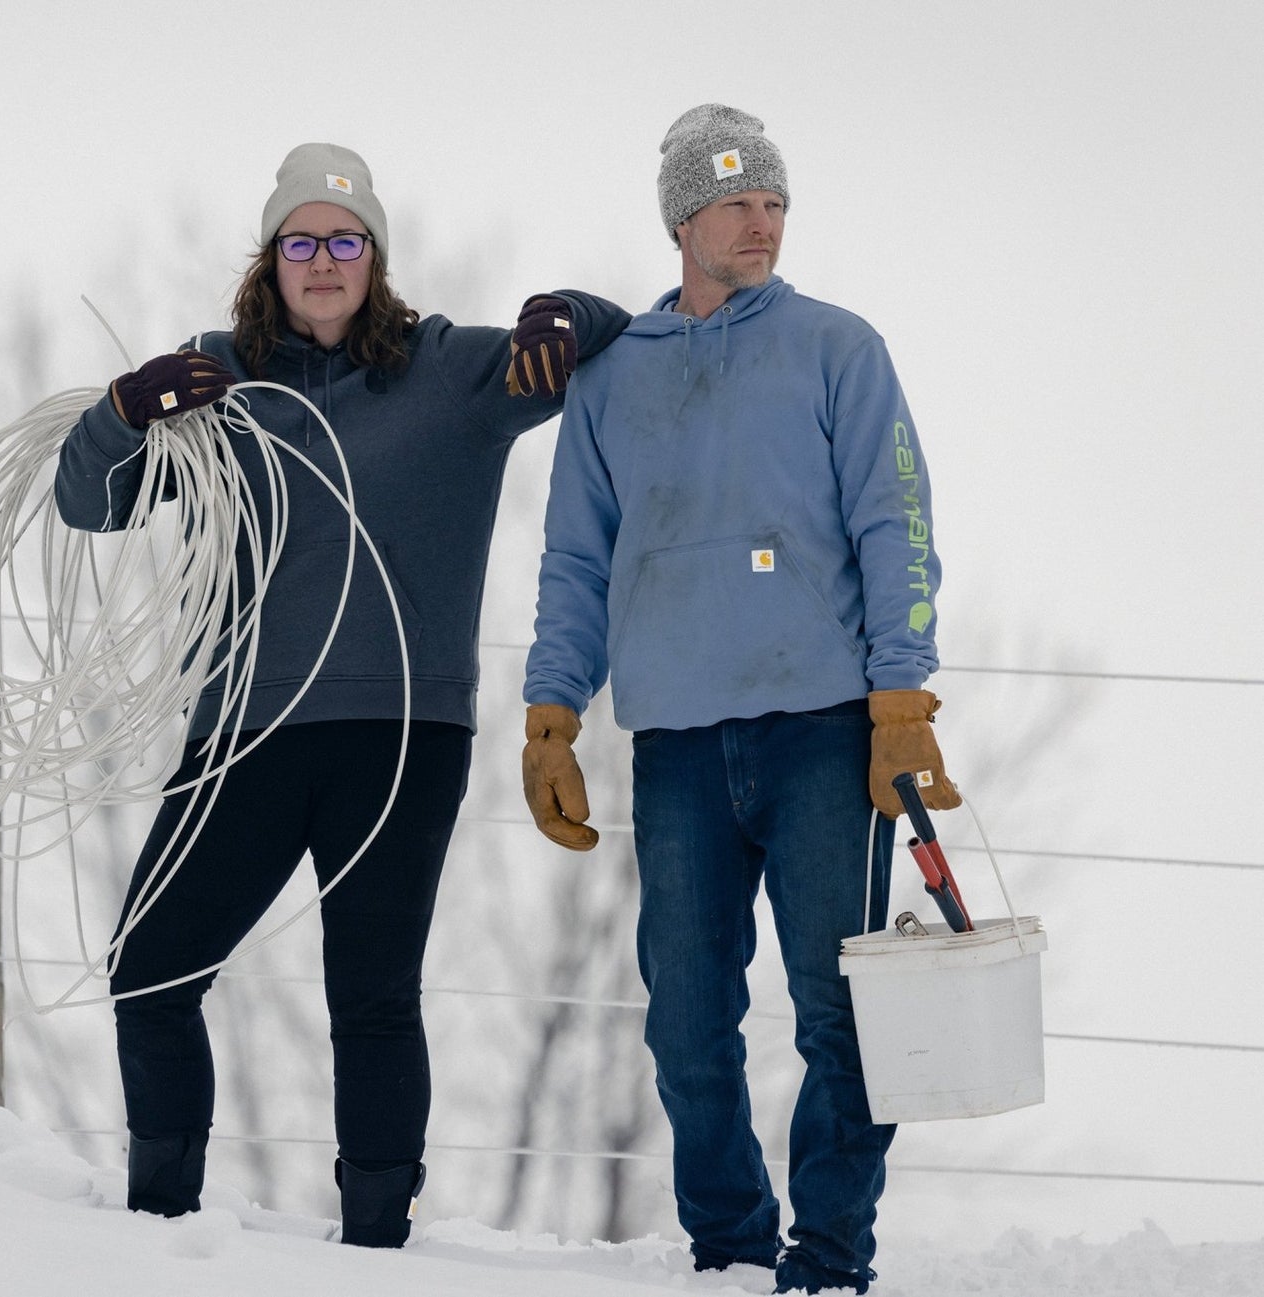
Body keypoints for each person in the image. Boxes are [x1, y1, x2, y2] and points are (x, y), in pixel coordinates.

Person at [54, 142, 631, 1247]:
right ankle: (158, 1230)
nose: (323, 260)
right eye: (300, 241)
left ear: (375, 256)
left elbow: (596, 335)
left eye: (344, 239)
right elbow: (92, 503)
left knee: (369, 990)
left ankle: (374, 1240)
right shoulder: (213, 382)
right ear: (269, 259)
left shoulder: (451, 370)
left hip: (401, 728)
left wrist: (564, 308)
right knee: (150, 970)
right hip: (245, 727)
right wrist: (123, 411)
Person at [519, 105, 959, 1295]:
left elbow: (894, 520)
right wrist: (551, 710)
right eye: (733, 203)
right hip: (671, 739)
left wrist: (899, 696)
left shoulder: (834, 346)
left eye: (771, 203)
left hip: (823, 729)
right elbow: (573, 553)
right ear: (679, 218)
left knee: (838, 1010)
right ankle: (724, 1247)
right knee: (684, 1020)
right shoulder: (614, 375)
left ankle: (825, 1255)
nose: (758, 222)